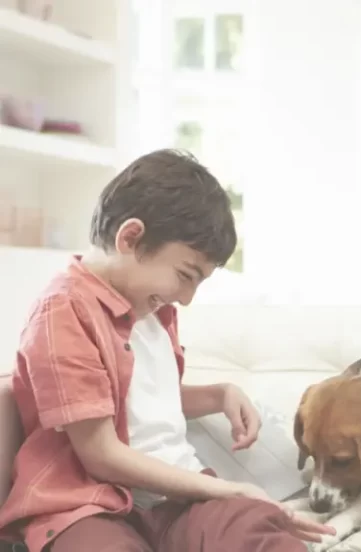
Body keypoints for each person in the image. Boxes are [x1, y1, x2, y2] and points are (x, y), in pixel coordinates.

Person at [0, 149, 335, 552]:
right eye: (185, 275)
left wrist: (218, 394)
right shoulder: (64, 310)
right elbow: (100, 453)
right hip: (87, 505)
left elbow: (137, 402)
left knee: (254, 530)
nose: (187, 298)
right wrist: (225, 489)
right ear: (131, 237)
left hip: (176, 501)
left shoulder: (155, 311)